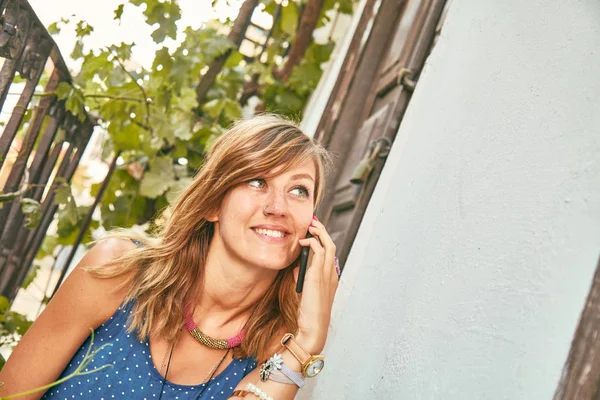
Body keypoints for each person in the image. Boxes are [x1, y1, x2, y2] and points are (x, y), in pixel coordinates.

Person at [0, 114, 339, 399]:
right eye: (256, 181)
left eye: (299, 190)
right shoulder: (117, 271)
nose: (277, 207)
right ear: (212, 203)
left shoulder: (279, 347)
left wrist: (307, 340)